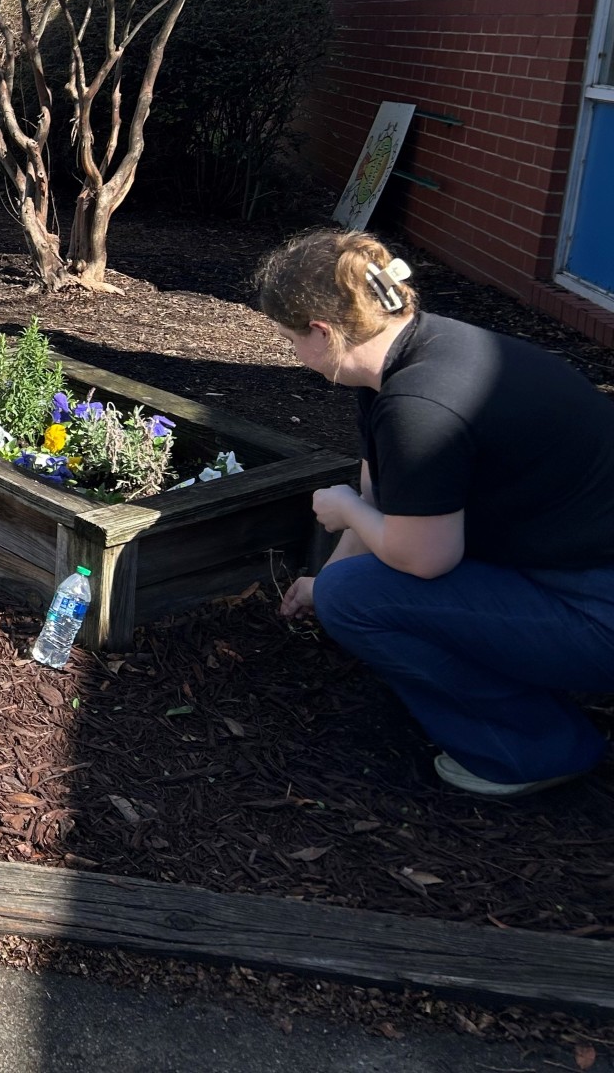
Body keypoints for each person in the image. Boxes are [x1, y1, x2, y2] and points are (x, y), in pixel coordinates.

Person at [259, 230, 614, 797]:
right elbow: (387, 499)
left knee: (356, 599)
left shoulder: (418, 405)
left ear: (322, 332)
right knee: (343, 587)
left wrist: (344, 512)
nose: (292, 355)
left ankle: (532, 749)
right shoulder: (407, 356)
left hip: (597, 607)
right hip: (566, 564)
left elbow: (423, 556)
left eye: (289, 339)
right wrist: (321, 580)